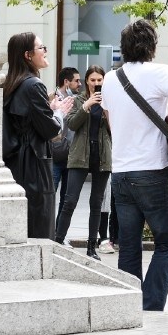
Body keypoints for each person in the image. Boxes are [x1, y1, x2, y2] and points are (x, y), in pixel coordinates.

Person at [102, 19, 168, 311]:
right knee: (167, 242)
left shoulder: (110, 79)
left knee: (129, 247)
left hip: (121, 173)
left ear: (124, 48)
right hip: (152, 172)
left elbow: (112, 124)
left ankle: (128, 307)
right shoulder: (160, 72)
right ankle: (150, 306)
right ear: (152, 46)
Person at [2, 33, 73, 239]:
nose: (45, 52)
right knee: (39, 224)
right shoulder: (33, 85)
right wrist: (59, 113)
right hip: (34, 162)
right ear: (28, 55)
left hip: (17, 162)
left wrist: (48, 110)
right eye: (41, 48)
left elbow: (26, 120)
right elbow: (51, 130)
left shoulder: (13, 83)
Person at [53, 65, 111, 260]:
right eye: (92, 80)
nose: (96, 83)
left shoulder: (109, 102)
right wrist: (87, 107)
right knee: (70, 200)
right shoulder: (78, 100)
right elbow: (72, 124)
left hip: (101, 157)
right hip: (79, 155)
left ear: (104, 81)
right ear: (87, 81)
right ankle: (58, 241)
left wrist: (107, 111)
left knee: (96, 203)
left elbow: (115, 130)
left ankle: (91, 248)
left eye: (99, 80)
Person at [50, 66, 81, 213]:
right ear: (66, 82)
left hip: (71, 157)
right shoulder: (50, 98)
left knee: (67, 200)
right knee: (50, 195)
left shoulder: (77, 101)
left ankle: (58, 234)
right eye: (77, 81)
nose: (80, 84)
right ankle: (47, 231)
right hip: (55, 155)